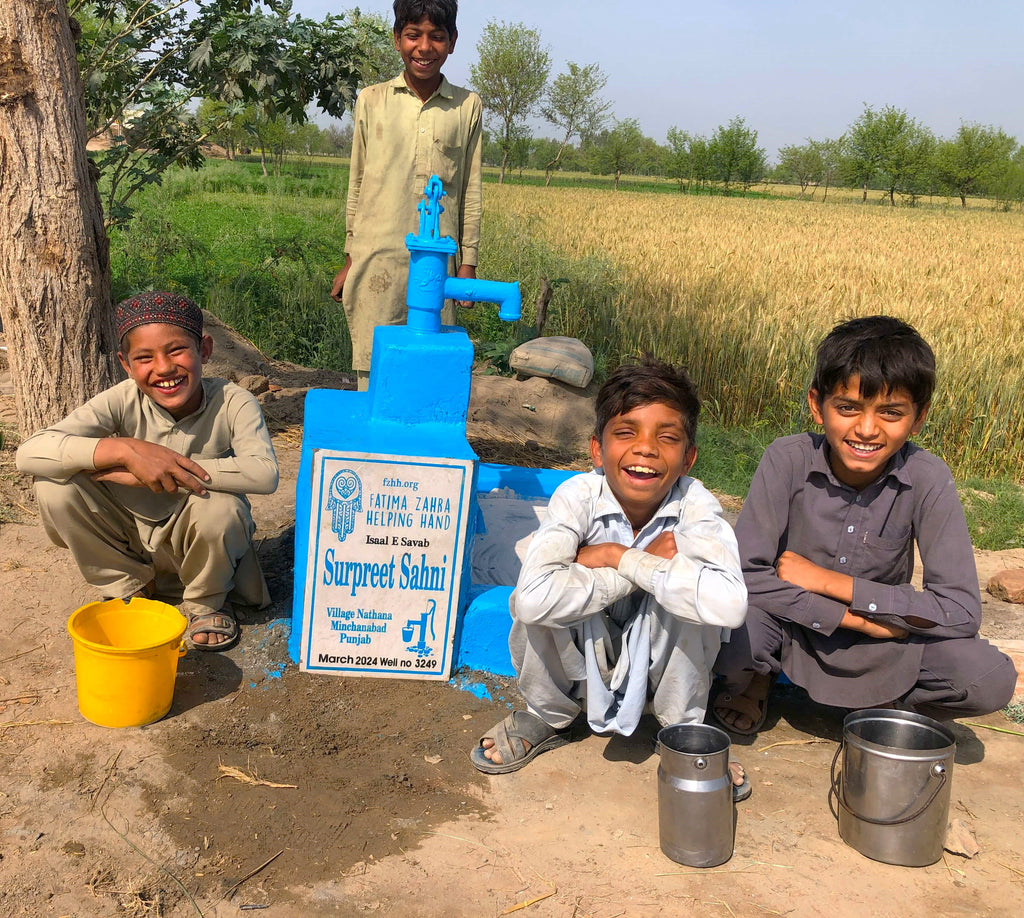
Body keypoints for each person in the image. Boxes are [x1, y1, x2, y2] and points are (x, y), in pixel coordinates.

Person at [712, 315, 1017, 734]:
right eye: (848, 408)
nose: (867, 429)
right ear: (817, 406)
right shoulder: (786, 460)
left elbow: (961, 610)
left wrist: (828, 582)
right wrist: (852, 618)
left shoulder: (927, 477)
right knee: (729, 629)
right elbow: (744, 575)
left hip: (884, 643)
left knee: (988, 678)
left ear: (919, 417)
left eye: (891, 412)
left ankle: (887, 696)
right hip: (793, 628)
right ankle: (757, 680)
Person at [471, 358, 750, 795]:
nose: (645, 449)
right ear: (597, 451)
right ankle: (547, 713)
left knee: (694, 606)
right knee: (532, 596)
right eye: (626, 433)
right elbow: (533, 600)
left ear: (688, 459)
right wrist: (639, 566)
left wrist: (617, 557)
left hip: (659, 659)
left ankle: (681, 732)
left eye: (668, 438)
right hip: (587, 647)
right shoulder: (578, 495)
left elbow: (730, 604)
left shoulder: (696, 506)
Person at [15, 292, 279, 651]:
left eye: (176, 351)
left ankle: (207, 603)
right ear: (126, 364)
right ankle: (129, 586)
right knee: (54, 486)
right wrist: (125, 450)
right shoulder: (121, 399)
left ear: (204, 349)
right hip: (134, 538)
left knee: (224, 508)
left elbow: (264, 473)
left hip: (198, 540)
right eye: (144, 357)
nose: (164, 368)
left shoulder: (233, 401)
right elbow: (30, 452)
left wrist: (165, 467)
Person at [330, 0, 481, 390]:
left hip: (436, 263)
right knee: (373, 362)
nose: (424, 47)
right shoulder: (372, 99)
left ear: (452, 42)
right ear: (398, 39)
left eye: (437, 36)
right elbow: (358, 183)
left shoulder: (467, 106)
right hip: (377, 255)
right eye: (414, 35)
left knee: (429, 367)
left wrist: (468, 264)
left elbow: (470, 189)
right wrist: (351, 255)